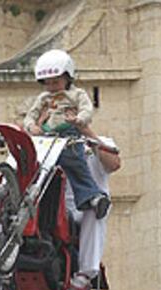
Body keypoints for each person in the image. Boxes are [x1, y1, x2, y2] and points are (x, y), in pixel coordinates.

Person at [24, 49, 110, 220]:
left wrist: (78, 120)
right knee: (27, 162)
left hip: (68, 134)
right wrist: (32, 126)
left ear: (67, 78)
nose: (51, 87)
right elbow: (30, 115)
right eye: (47, 83)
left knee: (75, 164)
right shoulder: (43, 98)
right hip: (47, 136)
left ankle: (93, 197)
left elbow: (87, 110)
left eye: (56, 82)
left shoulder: (77, 95)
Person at [66, 133, 121, 290]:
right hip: (59, 210)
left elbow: (114, 164)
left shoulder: (97, 140)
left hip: (85, 209)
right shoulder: (51, 141)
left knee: (95, 209)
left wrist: (86, 131)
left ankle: (85, 274)